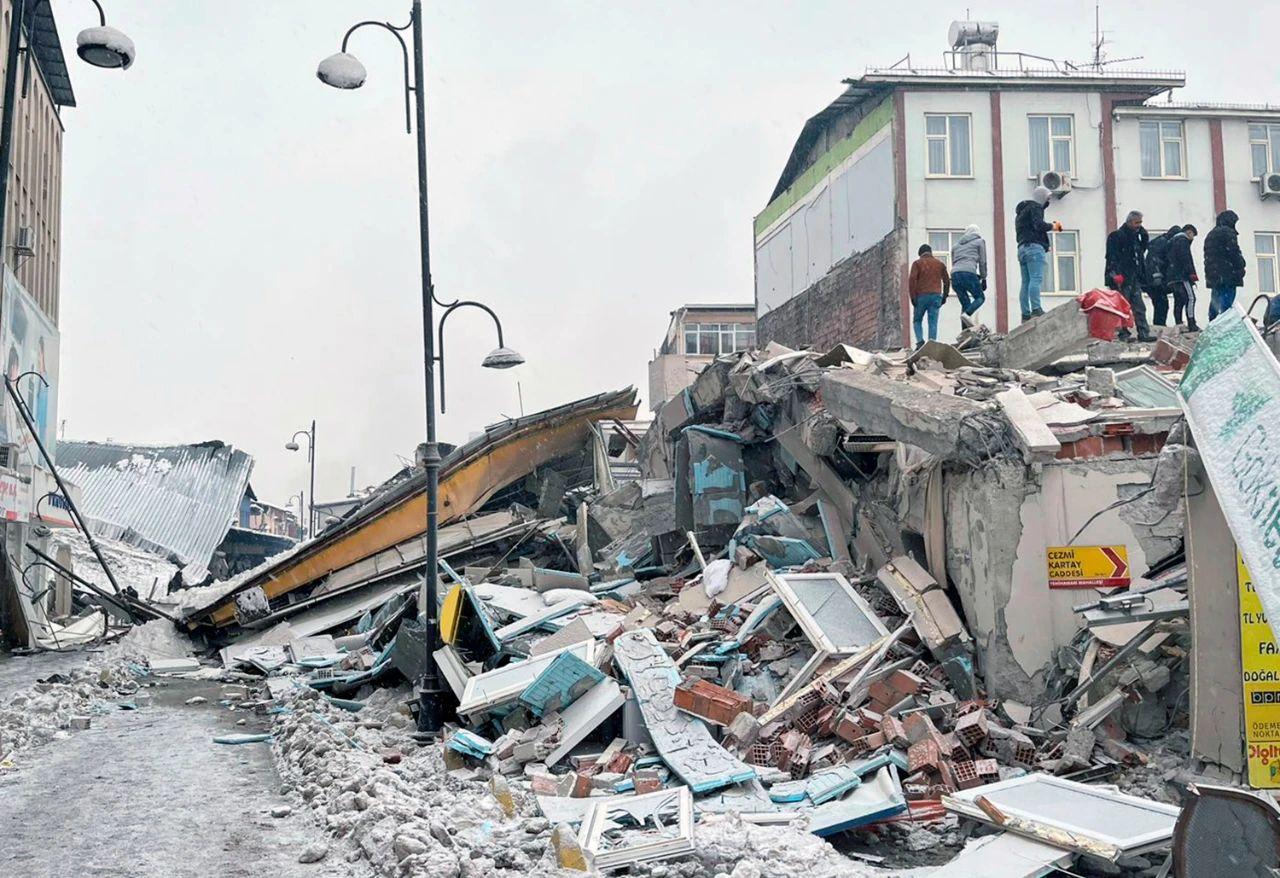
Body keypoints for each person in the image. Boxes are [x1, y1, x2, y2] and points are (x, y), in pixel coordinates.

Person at [1105, 210, 1154, 342]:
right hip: (1121, 278)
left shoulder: (1135, 238)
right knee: (1122, 307)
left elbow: (1141, 251)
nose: (1139, 225)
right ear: (1129, 222)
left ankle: (1143, 333)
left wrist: (1143, 234)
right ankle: (1123, 334)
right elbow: (1111, 256)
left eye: (1140, 223)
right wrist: (1115, 274)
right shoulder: (1116, 236)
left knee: (1139, 307)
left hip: (1133, 277)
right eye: (1137, 222)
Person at [1015, 186, 1060, 322]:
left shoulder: (1021, 213)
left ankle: (1025, 314)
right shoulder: (1036, 208)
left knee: (1025, 282)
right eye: (1047, 198)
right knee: (1036, 279)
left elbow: (1029, 229)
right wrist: (1053, 226)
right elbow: (1038, 225)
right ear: (1042, 197)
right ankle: (1036, 309)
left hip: (1022, 248)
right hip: (1034, 248)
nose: (1048, 201)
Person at [1204, 209, 1246, 321]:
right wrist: (1241, 266)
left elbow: (1209, 257)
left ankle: (1212, 323)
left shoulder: (1211, 235)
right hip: (1228, 274)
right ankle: (1224, 323)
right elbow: (1234, 252)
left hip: (1214, 275)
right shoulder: (1228, 233)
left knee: (1215, 299)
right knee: (1226, 303)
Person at [907, 243, 949, 348]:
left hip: (921, 296)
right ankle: (932, 344)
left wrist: (912, 297)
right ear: (931, 253)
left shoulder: (917, 263)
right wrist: (945, 296)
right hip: (936, 296)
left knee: (917, 320)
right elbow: (947, 281)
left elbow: (912, 280)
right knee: (933, 322)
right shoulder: (939, 264)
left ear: (920, 254)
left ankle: (920, 341)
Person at [1143, 225, 1182, 327]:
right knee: (1161, 304)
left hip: (1152, 279)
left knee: (1161, 303)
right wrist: (1157, 276)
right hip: (1154, 280)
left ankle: (1159, 325)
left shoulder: (1161, 242)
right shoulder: (1162, 243)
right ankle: (1159, 326)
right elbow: (1154, 260)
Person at [950, 224, 987, 327]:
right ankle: (967, 314)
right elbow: (982, 262)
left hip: (955, 275)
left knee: (965, 304)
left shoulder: (955, 246)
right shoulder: (980, 242)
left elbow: (955, 263)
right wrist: (983, 278)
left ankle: (964, 331)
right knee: (980, 297)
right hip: (968, 273)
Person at [1164, 224, 1199, 331]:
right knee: (1191, 298)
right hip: (1182, 276)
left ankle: (1178, 322)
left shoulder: (1171, 242)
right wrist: (1191, 273)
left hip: (1172, 277)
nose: (1192, 238)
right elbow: (1186, 258)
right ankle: (1191, 322)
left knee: (1178, 300)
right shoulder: (1183, 241)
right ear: (1189, 232)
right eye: (1193, 235)